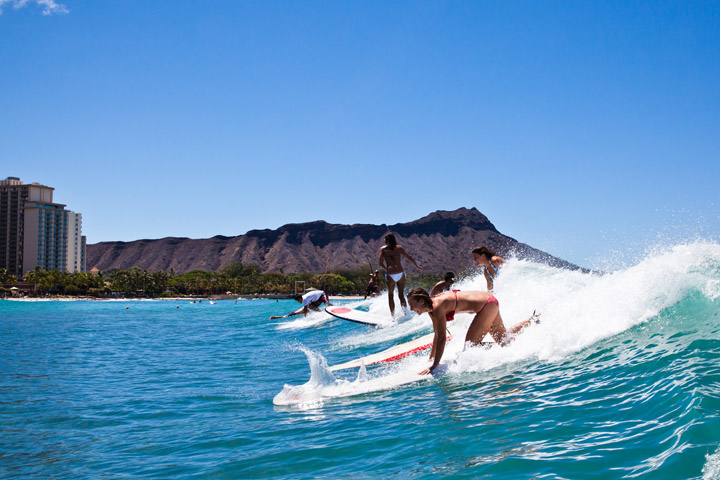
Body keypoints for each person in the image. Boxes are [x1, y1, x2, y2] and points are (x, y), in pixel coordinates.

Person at [407, 287, 537, 375]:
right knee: (504, 339)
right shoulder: (432, 308)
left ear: (422, 301)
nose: (411, 309)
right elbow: (437, 334)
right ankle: (533, 320)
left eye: (412, 305)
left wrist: (434, 366)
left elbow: (442, 338)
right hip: (489, 300)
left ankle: (515, 345)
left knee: (471, 347)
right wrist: (432, 358)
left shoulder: (437, 307)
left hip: (486, 306)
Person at [378, 233, 422, 315]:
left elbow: (380, 263)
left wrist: (387, 269)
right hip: (400, 273)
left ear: (386, 240)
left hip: (391, 274)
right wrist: (417, 266)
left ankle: (393, 317)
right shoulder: (399, 248)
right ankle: (405, 314)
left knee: (390, 296)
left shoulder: (383, 249)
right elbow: (409, 257)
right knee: (401, 295)